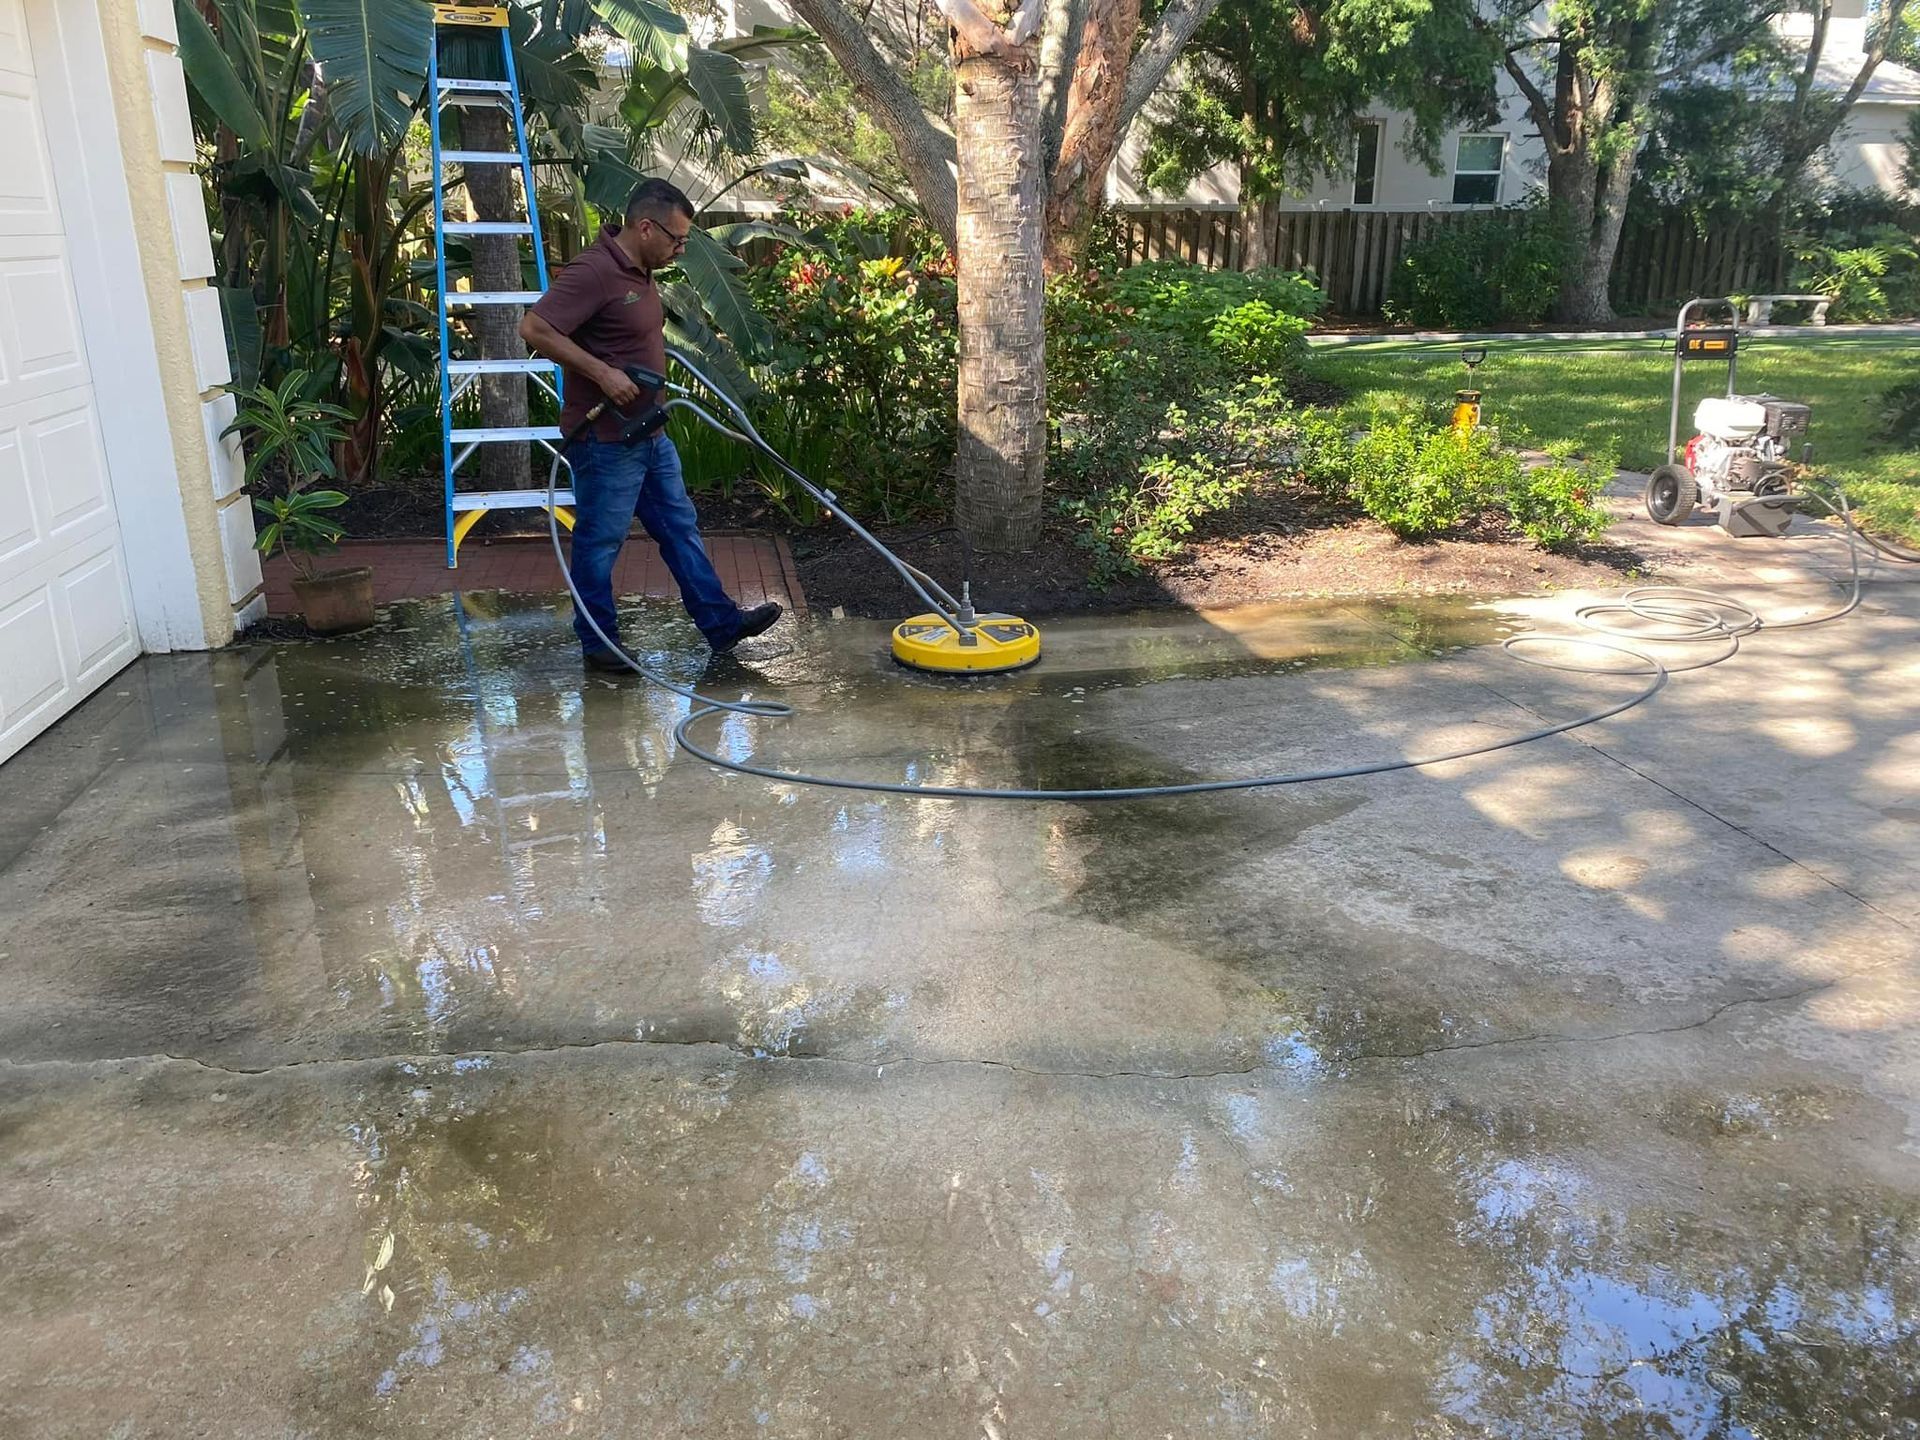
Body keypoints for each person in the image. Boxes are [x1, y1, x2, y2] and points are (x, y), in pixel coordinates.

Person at [520, 178, 781, 671]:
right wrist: (601, 372)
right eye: (676, 239)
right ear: (644, 227)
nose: (681, 249)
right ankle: (599, 642)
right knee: (600, 544)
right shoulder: (595, 271)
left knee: (680, 529)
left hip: (649, 433)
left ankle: (721, 625)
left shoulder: (641, 271)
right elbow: (534, 328)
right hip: (605, 440)